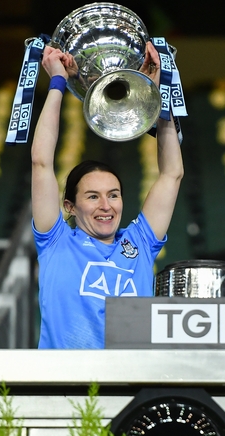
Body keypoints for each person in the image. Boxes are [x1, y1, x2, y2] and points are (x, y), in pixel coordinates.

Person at [31, 43, 183, 349]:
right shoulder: (56, 241)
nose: (106, 206)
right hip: (64, 385)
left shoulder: (139, 241)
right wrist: (58, 82)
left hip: (130, 384)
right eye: (92, 196)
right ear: (69, 207)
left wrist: (156, 95)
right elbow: (41, 162)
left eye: (113, 195)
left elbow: (172, 175)